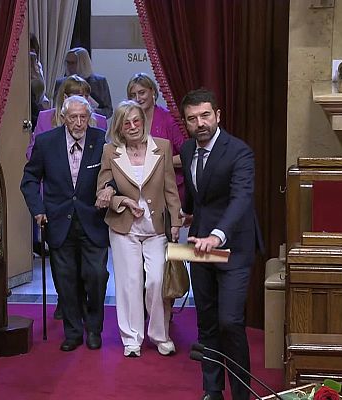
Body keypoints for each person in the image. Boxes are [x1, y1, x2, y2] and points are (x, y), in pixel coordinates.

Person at [179, 89, 263, 400]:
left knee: (230, 321)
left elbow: (241, 199)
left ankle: (242, 395)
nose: (199, 123)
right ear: (186, 123)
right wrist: (186, 215)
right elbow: (196, 193)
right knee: (207, 321)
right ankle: (212, 390)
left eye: (204, 115)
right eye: (192, 118)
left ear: (217, 115)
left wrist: (217, 234)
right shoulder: (187, 151)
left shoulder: (239, 152)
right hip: (199, 246)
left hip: (233, 247)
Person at [21, 95, 110, 352]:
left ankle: (94, 328)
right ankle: (73, 332)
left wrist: (110, 189)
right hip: (58, 220)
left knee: (96, 276)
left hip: (93, 220)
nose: (79, 123)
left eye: (84, 117)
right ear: (63, 117)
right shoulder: (46, 142)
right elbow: (29, 180)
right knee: (65, 279)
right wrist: (37, 209)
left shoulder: (100, 141)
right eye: (74, 117)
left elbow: (116, 175)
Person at [95, 100, 182, 358]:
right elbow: (102, 192)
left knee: (156, 280)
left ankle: (159, 335)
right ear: (119, 127)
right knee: (129, 283)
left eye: (137, 121)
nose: (133, 127)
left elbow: (170, 189)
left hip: (156, 228)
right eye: (127, 123)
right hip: (124, 227)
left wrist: (176, 222)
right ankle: (131, 339)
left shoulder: (162, 147)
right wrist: (123, 201)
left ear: (144, 122)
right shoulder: (110, 151)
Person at [126, 73, 186, 204]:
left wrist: (155, 160)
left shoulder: (169, 120)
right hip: (138, 192)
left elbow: (186, 156)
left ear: (152, 91)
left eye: (142, 93)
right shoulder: (128, 122)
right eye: (133, 95)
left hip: (170, 191)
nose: (138, 98)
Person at [28, 75, 107, 160]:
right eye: (79, 96)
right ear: (65, 97)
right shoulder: (45, 118)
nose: (85, 101)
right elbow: (31, 152)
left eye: (87, 96)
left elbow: (106, 155)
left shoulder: (100, 121)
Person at [54, 47, 113, 118]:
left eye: (72, 63)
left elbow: (108, 111)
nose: (69, 66)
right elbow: (56, 107)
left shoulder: (99, 82)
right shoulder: (60, 83)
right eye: (67, 62)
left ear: (83, 63)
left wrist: (90, 111)